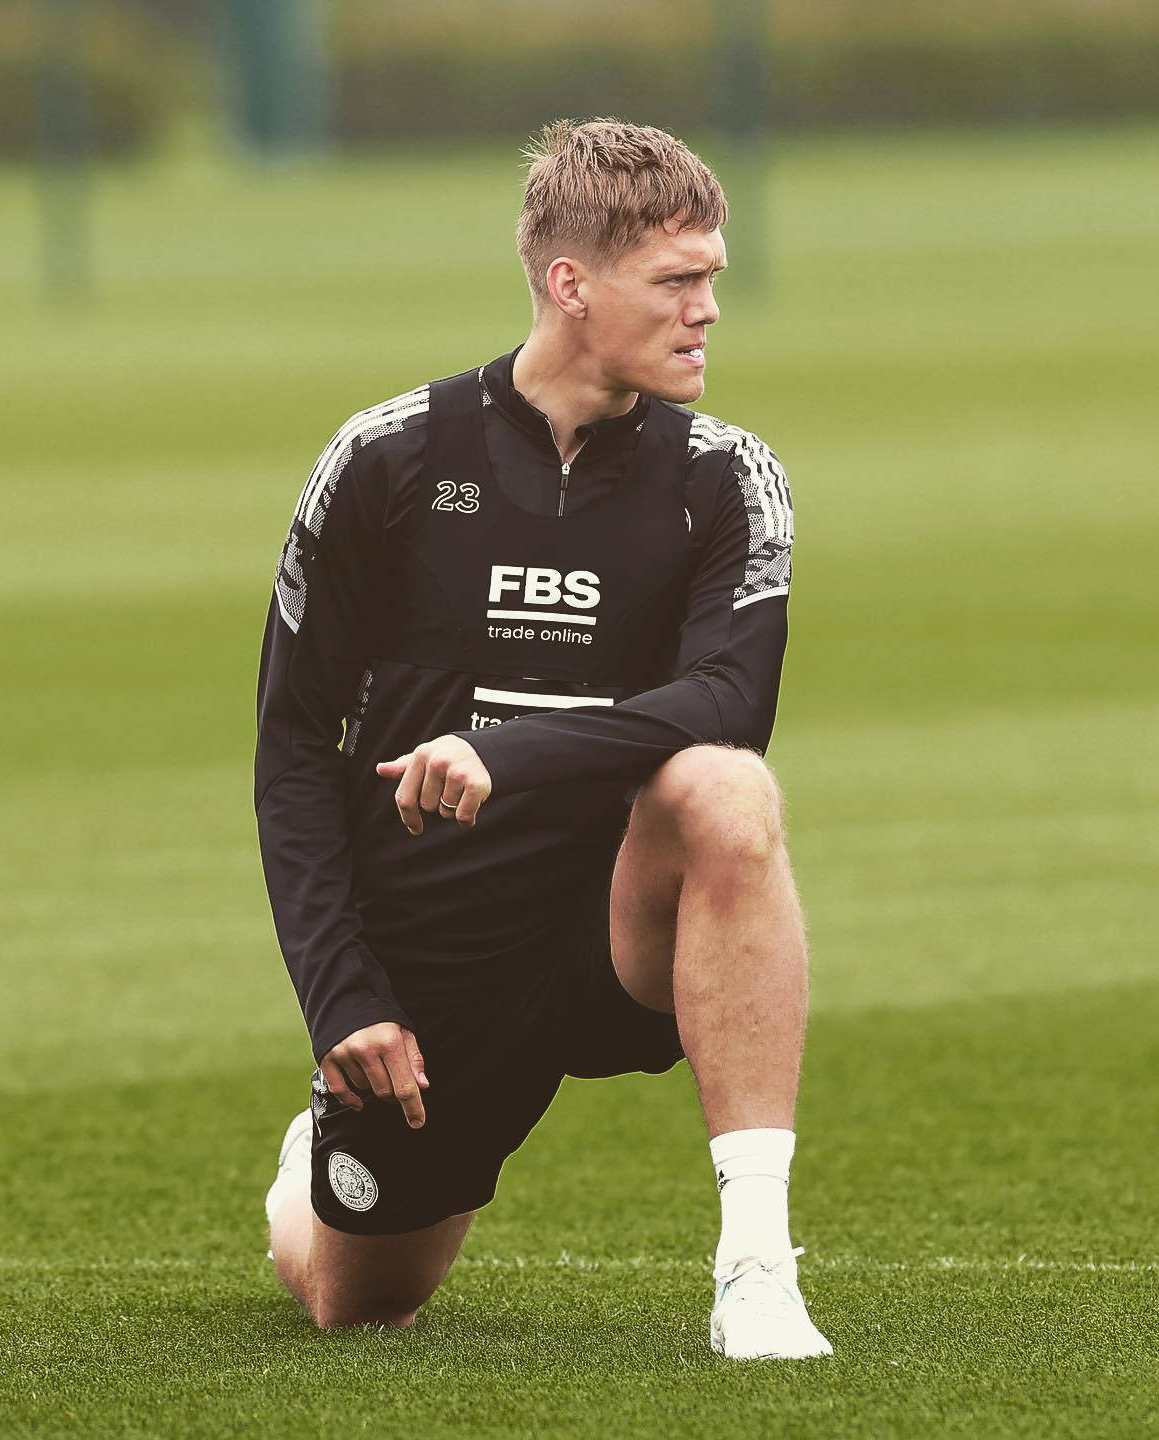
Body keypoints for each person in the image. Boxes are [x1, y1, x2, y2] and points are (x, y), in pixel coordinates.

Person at [254, 117, 832, 1361]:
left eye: (713, 278)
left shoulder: (728, 475)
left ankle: (758, 1271)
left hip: (617, 929)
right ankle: (311, 1168)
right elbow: (293, 749)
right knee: (357, 1303)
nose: (708, 310)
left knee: (726, 790)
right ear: (570, 285)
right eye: (678, 281)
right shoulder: (386, 460)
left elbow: (732, 698)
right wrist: (340, 994)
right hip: (440, 956)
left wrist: (508, 752)